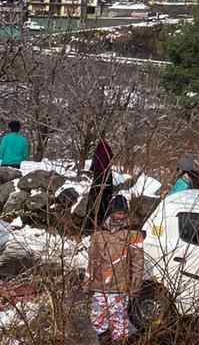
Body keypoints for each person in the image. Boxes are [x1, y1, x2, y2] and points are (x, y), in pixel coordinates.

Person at [84, 195, 143, 342]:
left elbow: (137, 263)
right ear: (111, 212)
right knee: (97, 322)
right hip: (100, 286)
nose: (120, 215)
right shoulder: (99, 234)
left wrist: (135, 285)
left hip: (120, 287)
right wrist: (87, 282)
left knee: (119, 325)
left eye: (123, 212)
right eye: (117, 212)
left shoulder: (134, 235)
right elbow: (92, 260)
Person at [87, 137, 115, 229]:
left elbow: (95, 161)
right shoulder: (107, 148)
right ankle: (102, 221)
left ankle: (92, 223)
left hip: (99, 175)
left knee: (95, 199)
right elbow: (111, 158)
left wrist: (91, 170)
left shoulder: (99, 148)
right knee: (104, 199)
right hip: (106, 176)